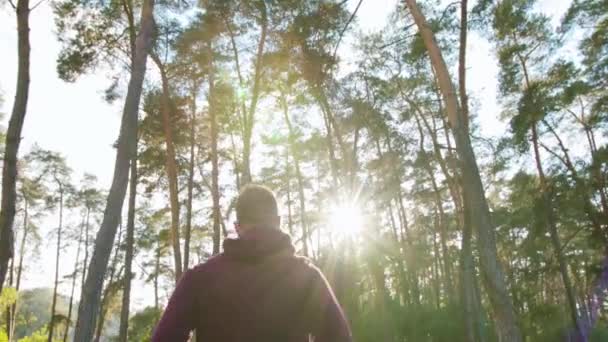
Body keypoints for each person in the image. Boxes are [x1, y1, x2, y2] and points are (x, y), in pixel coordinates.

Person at [152, 184, 352, 341]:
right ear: (278, 221)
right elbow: (339, 338)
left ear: (237, 227)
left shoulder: (200, 278)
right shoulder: (307, 276)